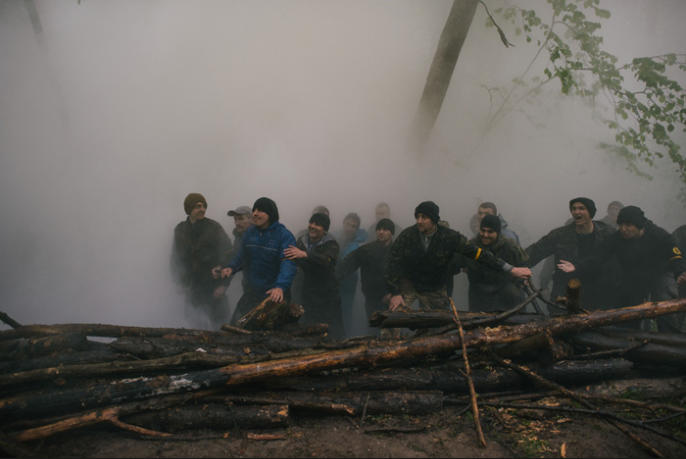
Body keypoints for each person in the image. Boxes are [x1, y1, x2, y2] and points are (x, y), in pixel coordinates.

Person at [386, 201, 531, 312]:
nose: (419, 221)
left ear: (433, 219)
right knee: (392, 321)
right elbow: (392, 262)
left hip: (433, 288)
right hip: (408, 285)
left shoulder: (449, 237)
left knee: (437, 327)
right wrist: (394, 292)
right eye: (417, 217)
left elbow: (479, 254)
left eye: (424, 217)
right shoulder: (407, 236)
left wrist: (510, 269)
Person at [558, 206, 686, 331]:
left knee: (665, 302)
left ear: (639, 225)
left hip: (661, 273)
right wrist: (577, 267)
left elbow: (675, 255)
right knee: (628, 308)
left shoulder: (659, 235)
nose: (623, 229)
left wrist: (680, 272)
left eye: (628, 225)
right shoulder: (617, 238)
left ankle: (669, 336)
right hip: (635, 276)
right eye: (621, 225)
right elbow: (598, 257)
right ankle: (628, 338)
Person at [217, 197, 297, 325]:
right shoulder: (250, 233)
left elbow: (288, 264)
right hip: (252, 292)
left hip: (274, 294)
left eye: (260, 210)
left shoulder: (284, 235)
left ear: (270, 213)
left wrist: (280, 287)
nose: (255, 213)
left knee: (270, 331)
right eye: (254, 210)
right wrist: (231, 268)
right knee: (237, 325)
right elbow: (242, 256)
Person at [525, 197, 615, 309]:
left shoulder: (607, 233)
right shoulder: (560, 235)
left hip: (597, 295)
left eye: (581, 208)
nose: (576, 212)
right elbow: (533, 253)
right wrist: (512, 268)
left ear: (590, 212)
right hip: (564, 294)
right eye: (573, 209)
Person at [171, 193, 233, 330]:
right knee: (195, 327)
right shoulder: (180, 230)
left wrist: (223, 284)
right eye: (198, 206)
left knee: (220, 327)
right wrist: (179, 282)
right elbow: (175, 259)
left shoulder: (214, 228)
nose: (202, 209)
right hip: (192, 288)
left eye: (204, 206)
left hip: (213, 287)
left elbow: (229, 254)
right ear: (189, 209)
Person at [284, 213, 344, 339]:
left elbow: (327, 261)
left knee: (332, 330)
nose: (312, 226)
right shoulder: (301, 242)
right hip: (308, 293)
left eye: (318, 224)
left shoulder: (331, 244)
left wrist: (306, 254)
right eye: (311, 223)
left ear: (325, 230)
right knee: (310, 328)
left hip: (328, 295)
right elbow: (290, 258)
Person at [337, 218, 395, 328]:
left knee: (392, 330)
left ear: (391, 232)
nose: (381, 232)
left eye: (385, 229)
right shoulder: (367, 250)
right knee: (374, 328)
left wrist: (394, 293)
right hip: (372, 299)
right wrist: (332, 278)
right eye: (379, 229)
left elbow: (404, 274)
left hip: (393, 299)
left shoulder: (397, 250)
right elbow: (347, 265)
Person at [466, 215, 529, 313]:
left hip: (505, 299)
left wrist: (522, 280)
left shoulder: (509, 247)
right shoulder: (472, 246)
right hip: (479, 298)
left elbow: (523, 265)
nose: (485, 235)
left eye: (490, 232)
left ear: (498, 232)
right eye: (483, 230)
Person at [335, 212, 368, 336]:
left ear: (357, 229)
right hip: (333, 281)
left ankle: (345, 337)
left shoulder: (359, 243)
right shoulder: (335, 237)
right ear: (343, 223)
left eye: (353, 226)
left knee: (346, 312)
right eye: (348, 224)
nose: (349, 228)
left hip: (349, 282)